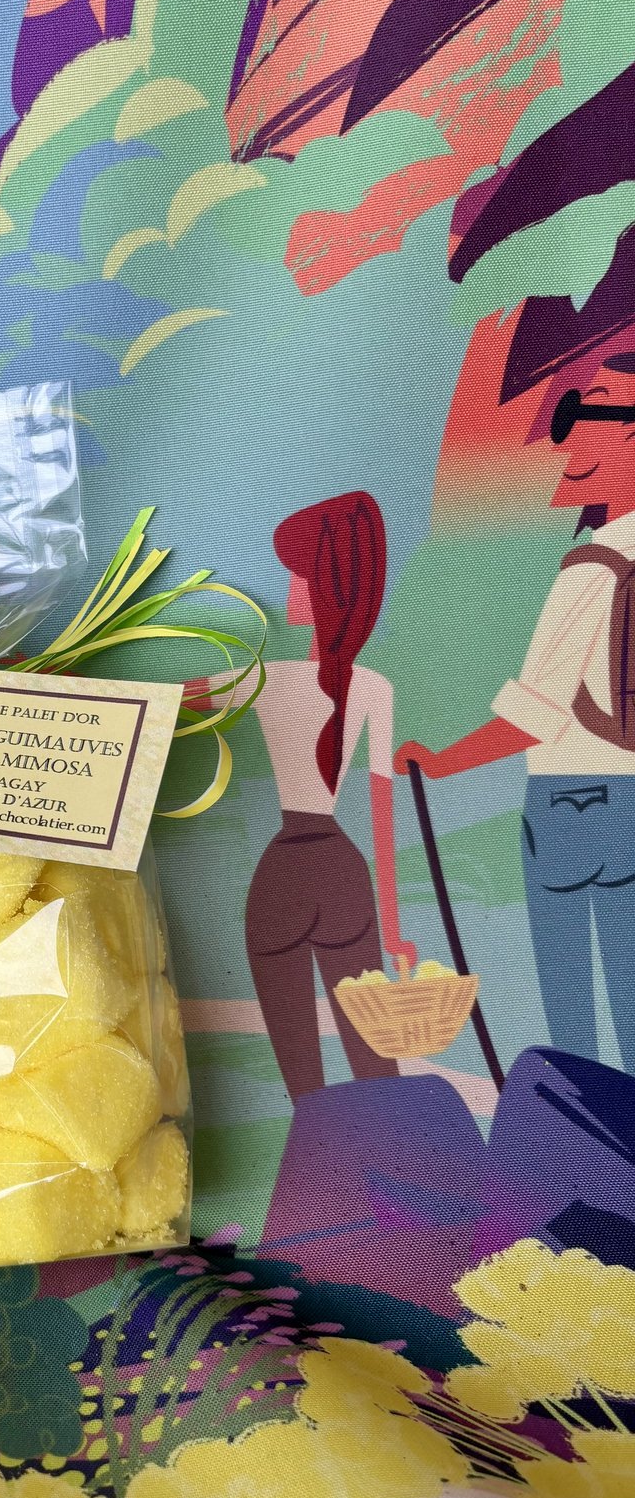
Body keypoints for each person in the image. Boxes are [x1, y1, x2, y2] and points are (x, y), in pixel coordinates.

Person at [396, 351, 635, 1066]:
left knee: (570, 1004)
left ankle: (586, 1122)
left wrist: (441, 763)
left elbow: (534, 714)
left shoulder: (594, 570)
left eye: (590, 419)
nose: (570, 444)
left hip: (575, 805)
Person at [195, 492, 414, 1101]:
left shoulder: (268, 679)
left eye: (298, 576)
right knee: (375, 1062)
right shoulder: (375, 687)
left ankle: (319, 1152)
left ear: (325, 586)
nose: (289, 590)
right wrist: (392, 927)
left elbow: (161, 701)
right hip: (345, 874)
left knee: (302, 1077)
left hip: (287, 873)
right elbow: (382, 816)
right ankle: (402, 1151)